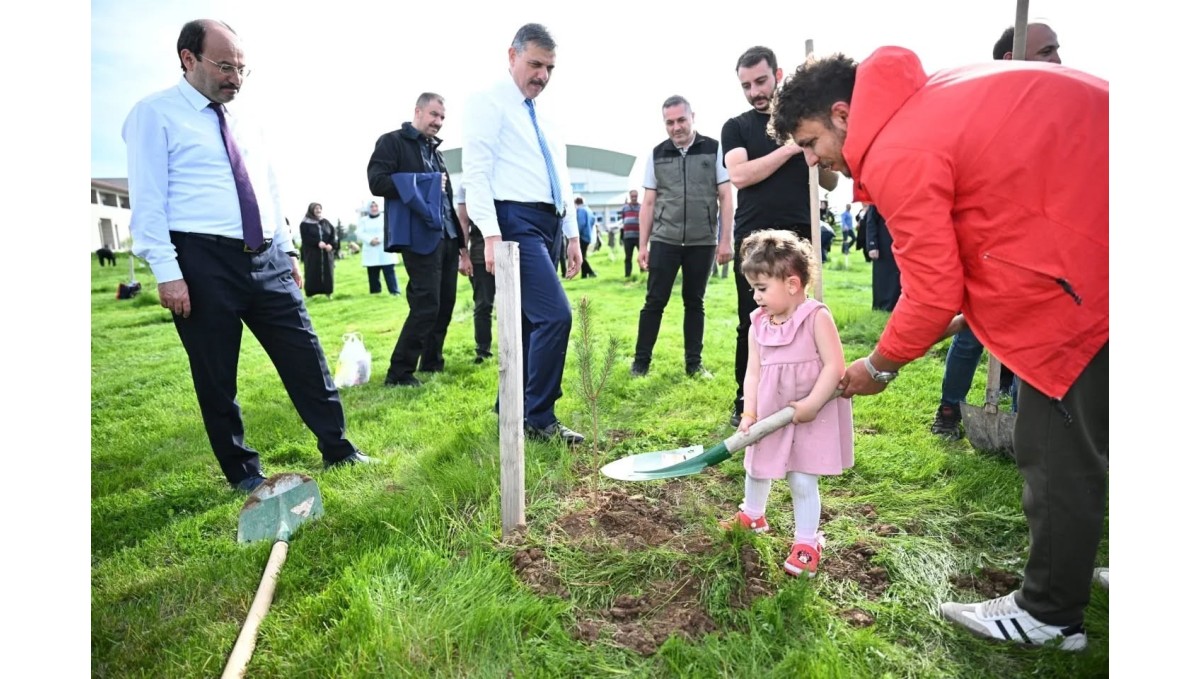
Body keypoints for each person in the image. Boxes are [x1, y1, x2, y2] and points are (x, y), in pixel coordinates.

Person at [769, 46, 1106, 650]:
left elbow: (931, 290)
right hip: (1095, 232)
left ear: (843, 114)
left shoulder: (898, 150)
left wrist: (880, 364)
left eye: (812, 141)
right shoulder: (931, 100)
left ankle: (1050, 612)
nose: (816, 159)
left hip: (1086, 270)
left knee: (1052, 443)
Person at [122, 19, 372, 492]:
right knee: (217, 374)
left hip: (269, 256)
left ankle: (339, 450)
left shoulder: (246, 120)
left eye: (241, 68)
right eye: (224, 66)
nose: (235, 78)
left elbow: (269, 189)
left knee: (307, 356)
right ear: (188, 59)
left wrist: (288, 249)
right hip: (202, 262)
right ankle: (242, 472)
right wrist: (168, 273)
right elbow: (149, 202)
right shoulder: (153, 114)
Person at [929, 22, 1062, 438]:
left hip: (1038, 246)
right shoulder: (985, 109)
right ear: (1013, 57)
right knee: (971, 330)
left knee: (1028, 336)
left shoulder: (1053, 110)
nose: (1058, 59)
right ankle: (950, 410)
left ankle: (1024, 422)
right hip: (987, 245)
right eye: (1046, 51)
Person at [461, 23, 585, 445]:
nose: (542, 76)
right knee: (555, 316)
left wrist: (571, 234)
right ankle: (539, 416)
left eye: (549, 67)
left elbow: (562, 174)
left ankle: (509, 406)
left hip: (549, 222)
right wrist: (490, 235)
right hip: (514, 221)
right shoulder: (487, 102)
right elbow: (475, 173)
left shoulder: (547, 114)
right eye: (535, 64)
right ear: (512, 56)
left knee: (531, 322)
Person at [721, 229, 852, 578]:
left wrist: (811, 403)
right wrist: (749, 412)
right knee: (757, 464)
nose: (755, 296)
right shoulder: (757, 325)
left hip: (809, 413)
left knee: (801, 478)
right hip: (769, 412)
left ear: (792, 284)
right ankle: (753, 514)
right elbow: (752, 372)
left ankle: (808, 541)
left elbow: (835, 367)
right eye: (753, 289)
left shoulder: (816, 317)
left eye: (761, 289)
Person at [721, 46, 839, 427]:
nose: (755, 91)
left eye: (761, 81)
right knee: (753, 320)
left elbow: (832, 180)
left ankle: (807, 394)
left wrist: (810, 149)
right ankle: (747, 399)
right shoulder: (736, 127)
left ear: (779, 74)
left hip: (800, 235)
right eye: (746, 85)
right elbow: (739, 175)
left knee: (803, 319)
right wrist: (789, 150)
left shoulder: (800, 122)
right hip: (754, 238)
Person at [630, 95, 733, 380]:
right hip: (665, 239)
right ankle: (640, 363)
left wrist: (726, 240)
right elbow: (648, 203)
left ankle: (694, 365)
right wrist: (643, 245)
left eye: (681, 120)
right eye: (670, 122)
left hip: (703, 240)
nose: (676, 127)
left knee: (695, 302)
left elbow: (725, 196)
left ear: (692, 117)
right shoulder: (656, 154)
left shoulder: (714, 149)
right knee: (654, 302)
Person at [367, 92, 466, 388]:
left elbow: (446, 198)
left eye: (443, 118)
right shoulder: (392, 141)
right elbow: (377, 181)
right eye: (434, 115)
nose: (438, 122)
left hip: (447, 234)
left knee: (445, 303)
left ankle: (432, 362)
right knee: (426, 304)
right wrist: (426, 182)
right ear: (418, 111)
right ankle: (399, 372)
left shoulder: (437, 152)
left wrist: (461, 244)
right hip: (417, 236)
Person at [454, 186, 496, 364]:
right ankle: (483, 350)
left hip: (513, 249)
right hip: (480, 252)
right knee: (483, 304)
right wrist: (463, 255)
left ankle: (522, 346)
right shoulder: (466, 185)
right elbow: (463, 222)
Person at [862, 204, 900, 311]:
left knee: (897, 278)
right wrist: (872, 245)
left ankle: (896, 307)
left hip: (900, 243)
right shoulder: (876, 197)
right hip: (883, 245)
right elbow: (871, 222)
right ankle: (882, 307)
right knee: (883, 277)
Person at [358, 200, 400, 295]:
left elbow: (390, 228)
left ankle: (394, 291)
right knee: (373, 274)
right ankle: (375, 293)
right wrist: (370, 240)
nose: (374, 208)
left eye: (375, 206)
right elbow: (360, 232)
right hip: (371, 250)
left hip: (384, 249)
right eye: (372, 206)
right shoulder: (363, 220)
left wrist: (380, 239)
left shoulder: (385, 217)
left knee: (389, 272)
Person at [298, 202, 337, 298]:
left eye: (320, 208)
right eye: (316, 208)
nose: (318, 210)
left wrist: (331, 245)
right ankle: (311, 294)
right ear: (311, 210)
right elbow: (305, 238)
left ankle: (328, 292)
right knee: (312, 272)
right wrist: (317, 243)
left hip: (326, 253)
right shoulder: (304, 224)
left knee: (328, 273)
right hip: (312, 254)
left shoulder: (326, 222)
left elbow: (333, 234)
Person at [619, 189, 641, 278]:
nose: (634, 198)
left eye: (635, 196)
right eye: (632, 196)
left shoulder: (641, 207)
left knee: (641, 256)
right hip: (628, 236)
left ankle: (643, 272)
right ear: (630, 197)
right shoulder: (625, 208)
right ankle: (627, 275)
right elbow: (623, 220)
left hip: (639, 236)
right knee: (628, 257)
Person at [574, 196, 597, 278]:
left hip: (582, 236)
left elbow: (581, 223)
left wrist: (575, 234)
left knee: (580, 256)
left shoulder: (581, 210)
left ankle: (591, 272)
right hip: (588, 235)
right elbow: (593, 221)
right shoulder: (589, 210)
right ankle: (584, 275)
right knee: (583, 255)